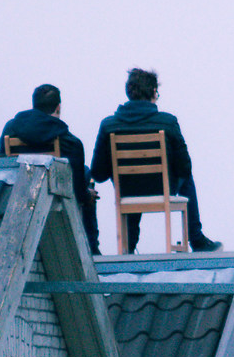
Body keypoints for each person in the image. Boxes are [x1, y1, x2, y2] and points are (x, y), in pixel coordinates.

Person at [91, 67, 220, 252]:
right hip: (162, 188)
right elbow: (185, 167)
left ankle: (128, 248)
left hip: (127, 191)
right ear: (153, 92)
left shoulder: (108, 125)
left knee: (132, 183)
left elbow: (98, 173)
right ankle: (197, 239)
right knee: (187, 179)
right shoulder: (167, 122)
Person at [0, 84, 100, 254]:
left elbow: (2, 162)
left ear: (34, 106)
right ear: (58, 108)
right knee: (85, 173)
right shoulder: (70, 142)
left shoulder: (11, 130)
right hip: (55, 198)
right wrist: (86, 193)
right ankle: (92, 249)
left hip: (20, 195)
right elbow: (77, 191)